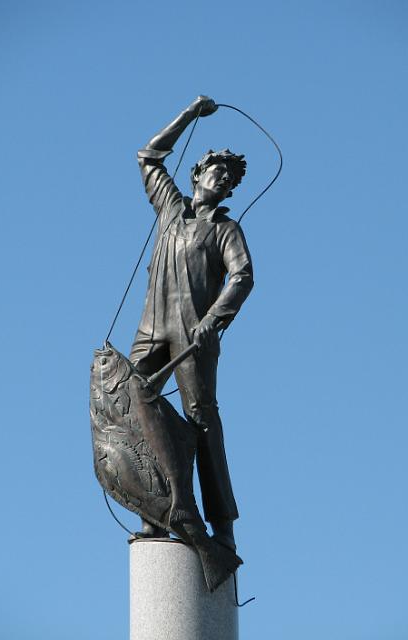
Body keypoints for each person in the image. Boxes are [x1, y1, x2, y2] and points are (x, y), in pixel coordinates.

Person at [130, 95, 254, 551]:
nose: (223, 180)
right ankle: (156, 506)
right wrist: (188, 114)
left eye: (229, 179)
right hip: (152, 326)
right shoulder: (169, 207)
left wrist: (213, 320)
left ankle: (222, 522)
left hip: (193, 330)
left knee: (202, 419)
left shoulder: (225, 229)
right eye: (217, 171)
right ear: (197, 174)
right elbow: (149, 154)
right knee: (133, 401)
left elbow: (242, 276)